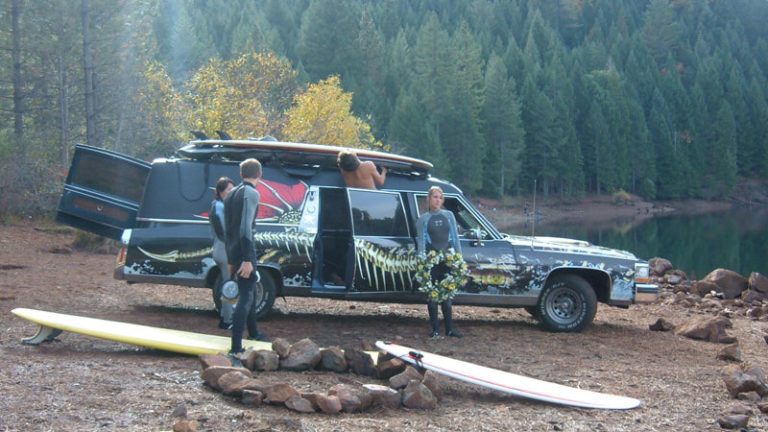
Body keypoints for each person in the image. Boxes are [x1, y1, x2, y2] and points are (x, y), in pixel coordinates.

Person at [224, 158, 269, 359]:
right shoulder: (251, 193)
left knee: (248, 290)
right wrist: (248, 259)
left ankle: (254, 333)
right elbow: (245, 228)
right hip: (245, 253)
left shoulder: (231, 193)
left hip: (234, 251)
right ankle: (236, 346)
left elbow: (228, 231)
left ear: (241, 174)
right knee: (246, 297)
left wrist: (231, 259)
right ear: (260, 175)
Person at [415, 186, 463, 339]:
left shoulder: (449, 216)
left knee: (448, 297)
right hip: (431, 262)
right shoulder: (423, 219)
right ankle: (435, 330)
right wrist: (422, 263)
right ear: (429, 199)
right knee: (432, 296)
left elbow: (455, 238)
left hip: (448, 260)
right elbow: (421, 241)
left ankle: (449, 329)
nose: (437, 200)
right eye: (434, 197)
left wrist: (459, 258)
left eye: (440, 198)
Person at [209, 177, 235, 329]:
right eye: (229, 190)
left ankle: (226, 317)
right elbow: (224, 232)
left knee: (228, 284)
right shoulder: (219, 206)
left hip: (221, 249)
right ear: (221, 191)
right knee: (229, 286)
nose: (231, 192)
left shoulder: (219, 205)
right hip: (224, 250)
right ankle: (226, 320)